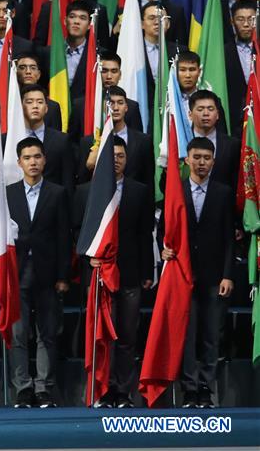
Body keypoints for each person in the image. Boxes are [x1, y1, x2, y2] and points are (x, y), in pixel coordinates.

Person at [73, 137, 154, 408]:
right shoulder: (86, 191)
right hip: (99, 276)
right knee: (101, 336)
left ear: (127, 159)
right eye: (111, 155)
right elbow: (78, 234)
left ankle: (122, 392)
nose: (116, 160)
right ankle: (101, 392)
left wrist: (147, 271)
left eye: (121, 155)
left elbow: (145, 234)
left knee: (127, 337)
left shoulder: (140, 191)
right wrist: (87, 262)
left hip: (130, 274)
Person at [160, 137, 235, 409]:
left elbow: (229, 237)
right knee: (188, 335)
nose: (201, 162)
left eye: (206, 158)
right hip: (183, 276)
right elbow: (163, 233)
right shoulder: (175, 191)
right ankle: (189, 389)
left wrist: (228, 275)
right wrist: (163, 250)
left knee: (211, 335)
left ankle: (206, 388)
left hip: (215, 277)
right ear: (187, 160)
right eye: (197, 157)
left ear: (213, 161)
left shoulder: (223, 192)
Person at [7, 137, 70, 409]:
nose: (33, 162)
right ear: (19, 162)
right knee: (18, 334)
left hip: (47, 274)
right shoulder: (8, 194)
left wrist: (63, 276)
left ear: (44, 160)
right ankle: (22, 388)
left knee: (47, 333)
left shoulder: (57, 193)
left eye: (37, 157)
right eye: (27, 158)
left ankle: (43, 388)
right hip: (16, 273)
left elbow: (64, 237)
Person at [78, 86, 153, 187]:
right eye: (111, 103)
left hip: (131, 199)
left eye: (120, 103)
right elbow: (81, 184)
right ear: (104, 107)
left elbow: (148, 181)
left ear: (126, 107)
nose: (116, 108)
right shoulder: (88, 142)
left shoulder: (143, 141)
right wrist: (89, 167)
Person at [68, 53, 144, 143]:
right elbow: (72, 143)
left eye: (114, 71)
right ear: (97, 73)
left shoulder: (132, 107)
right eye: (104, 71)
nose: (109, 76)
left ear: (120, 75)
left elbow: (137, 142)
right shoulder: (80, 105)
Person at [19, 85, 74, 192]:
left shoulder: (62, 140)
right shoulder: (7, 140)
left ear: (46, 108)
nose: (35, 106)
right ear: (20, 106)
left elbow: (68, 181)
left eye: (40, 102)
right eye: (29, 102)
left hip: (52, 204)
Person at [188, 90, 240, 191]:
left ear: (217, 115)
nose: (206, 113)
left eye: (210, 109)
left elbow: (237, 183)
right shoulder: (180, 143)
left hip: (223, 204)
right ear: (190, 114)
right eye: (200, 109)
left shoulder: (233, 145)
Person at [224, 0, 257, 140]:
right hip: (233, 123)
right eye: (240, 19)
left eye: (251, 19)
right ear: (232, 22)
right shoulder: (222, 52)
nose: (246, 24)